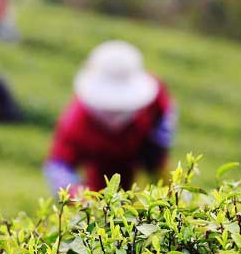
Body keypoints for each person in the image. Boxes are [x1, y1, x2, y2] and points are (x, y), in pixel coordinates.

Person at [44, 40, 177, 195]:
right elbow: (58, 165)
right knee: (109, 200)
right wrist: (79, 197)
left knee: (168, 192)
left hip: (146, 145)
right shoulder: (76, 122)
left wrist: (159, 146)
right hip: (104, 165)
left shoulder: (155, 94)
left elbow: (165, 117)